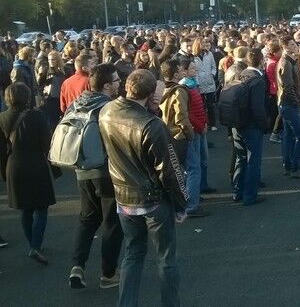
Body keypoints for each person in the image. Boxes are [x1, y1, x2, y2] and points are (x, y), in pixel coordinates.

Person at [99, 69, 188, 307]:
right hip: (153, 200)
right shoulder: (152, 125)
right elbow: (169, 170)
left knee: (133, 252)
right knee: (166, 258)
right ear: (150, 94)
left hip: (124, 196)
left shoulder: (106, 112)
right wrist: (181, 204)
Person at [67, 63, 123, 289]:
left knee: (87, 219)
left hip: (82, 170)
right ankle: (108, 274)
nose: (120, 83)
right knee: (112, 222)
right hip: (106, 170)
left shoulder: (77, 103)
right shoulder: (109, 108)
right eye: (117, 81)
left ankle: (77, 266)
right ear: (108, 86)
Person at [0, 82, 55, 264]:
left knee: (25, 208)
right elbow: (47, 145)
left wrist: (3, 172)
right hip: (35, 165)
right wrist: (55, 168)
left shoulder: (2, 118)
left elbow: (1, 149)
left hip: (13, 166)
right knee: (41, 207)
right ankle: (36, 246)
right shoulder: (37, 116)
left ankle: (32, 243)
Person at [231, 49, 268, 206]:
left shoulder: (239, 75)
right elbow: (258, 108)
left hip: (236, 123)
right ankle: (250, 195)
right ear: (260, 61)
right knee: (253, 160)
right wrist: (264, 125)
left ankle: (237, 191)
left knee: (241, 158)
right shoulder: (258, 80)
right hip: (251, 125)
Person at [178, 59, 209, 217]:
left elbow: (199, 107)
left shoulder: (192, 84)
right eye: (191, 68)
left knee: (198, 162)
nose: (195, 69)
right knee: (193, 167)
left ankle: (195, 193)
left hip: (198, 127)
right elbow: (188, 113)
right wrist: (200, 125)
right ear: (183, 71)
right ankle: (191, 204)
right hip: (193, 129)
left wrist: (204, 122)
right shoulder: (185, 87)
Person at [277, 36, 300, 179]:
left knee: (289, 136)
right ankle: (295, 167)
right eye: (292, 44)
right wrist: (299, 100)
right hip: (290, 104)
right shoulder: (285, 63)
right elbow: (288, 87)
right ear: (285, 47)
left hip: (287, 103)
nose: (295, 46)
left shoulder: (292, 61)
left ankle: (288, 165)